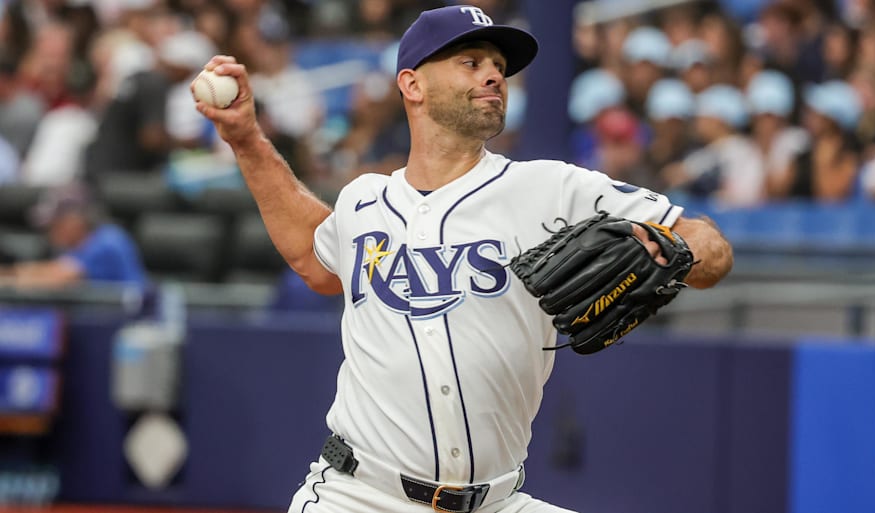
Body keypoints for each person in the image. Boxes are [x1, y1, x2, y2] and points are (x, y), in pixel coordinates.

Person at [194, 5, 733, 513]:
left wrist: (677, 250)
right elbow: (315, 259)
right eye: (471, 63)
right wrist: (246, 139)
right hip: (360, 495)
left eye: (499, 66)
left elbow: (710, 245)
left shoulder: (551, 188)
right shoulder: (363, 200)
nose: (494, 75)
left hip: (496, 500)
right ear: (412, 85)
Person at [0, 182, 147, 289]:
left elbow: (60, 277)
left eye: (56, 224)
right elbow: (50, 269)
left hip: (136, 320)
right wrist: (10, 272)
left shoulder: (109, 240)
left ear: (74, 221)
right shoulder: (76, 247)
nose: (50, 233)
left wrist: (8, 280)